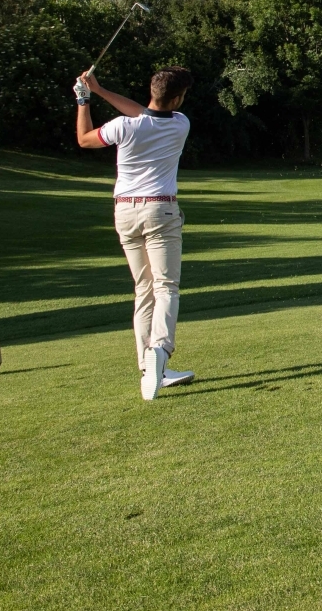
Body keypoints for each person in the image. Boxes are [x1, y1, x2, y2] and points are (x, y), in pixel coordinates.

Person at [75, 66, 196, 401]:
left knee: (144, 289)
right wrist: (97, 91)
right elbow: (147, 112)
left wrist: (87, 98)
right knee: (166, 286)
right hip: (160, 210)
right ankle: (159, 350)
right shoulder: (180, 124)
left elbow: (84, 140)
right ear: (176, 98)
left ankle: (150, 370)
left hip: (125, 212)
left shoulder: (123, 126)